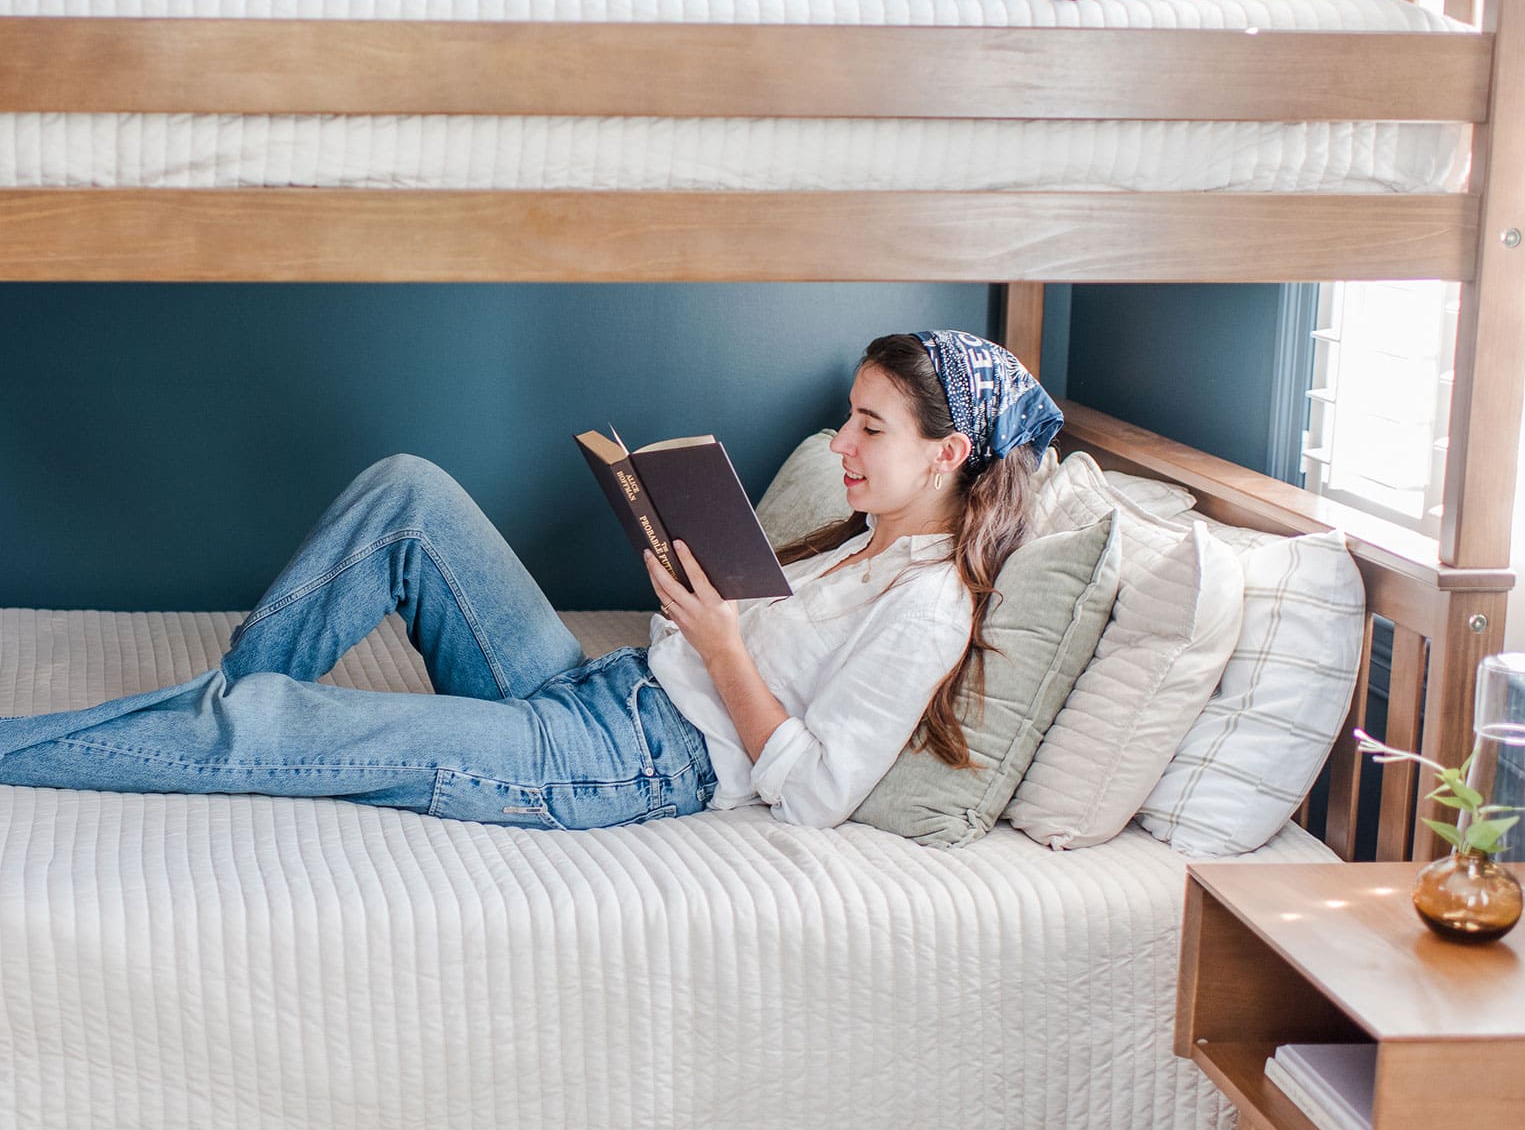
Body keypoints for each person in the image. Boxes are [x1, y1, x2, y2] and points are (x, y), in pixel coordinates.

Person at [0, 331, 1061, 830]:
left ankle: (216, 728)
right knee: (407, 493)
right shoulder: (857, 538)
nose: (840, 442)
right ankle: (218, 719)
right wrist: (694, 603)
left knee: (281, 724)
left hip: (625, 765)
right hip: (599, 688)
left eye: (867, 427)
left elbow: (819, 792)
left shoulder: (928, 605)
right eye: (848, 417)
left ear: (947, 453)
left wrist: (726, 647)